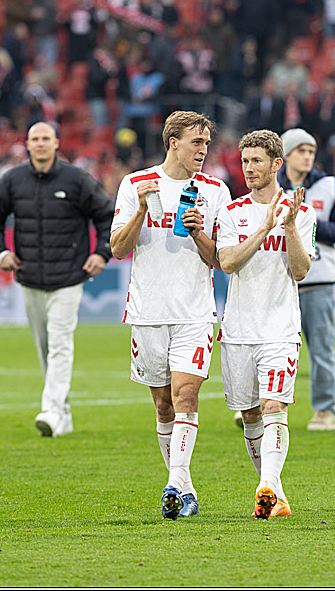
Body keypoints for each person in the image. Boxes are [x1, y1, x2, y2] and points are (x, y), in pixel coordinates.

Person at [108, 111, 231, 520]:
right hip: (147, 311)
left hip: (195, 312)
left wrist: (199, 233)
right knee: (163, 405)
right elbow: (118, 249)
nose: (204, 150)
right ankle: (186, 488)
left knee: (186, 395)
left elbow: (222, 260)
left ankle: (174, 483)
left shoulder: (215, 191)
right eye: (197, 142)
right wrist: (142, 211)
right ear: (172, 142)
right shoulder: (135, 184)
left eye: (207, 143)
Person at [0, 122, 114, 438]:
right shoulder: (13, 180)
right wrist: (0, 253)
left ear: (56, 143)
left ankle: (52, 410)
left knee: (60, 345)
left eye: (46, 139)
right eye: (35, 139)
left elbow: (107, 215)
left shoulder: (77, 179)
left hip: (69, 278)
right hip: (30, 278)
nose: (40, 144)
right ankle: (62, 414)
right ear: (27, 144)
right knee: (45, 347)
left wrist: (102, 252)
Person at [217, 129, 316, 519]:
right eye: (244, 161)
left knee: (275, 406)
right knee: (250, 414)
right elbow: (227, 263)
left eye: (256, 161)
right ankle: (274, 494)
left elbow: (300, 269)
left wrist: (288, 224)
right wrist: (264, 227)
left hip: (280, 327)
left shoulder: (303, 212)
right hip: (238, 329)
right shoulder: (232, 213)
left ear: (277, 164)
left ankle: (268, 485)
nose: (248, 168)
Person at [277, 128, 335, 431]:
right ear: (285, 155)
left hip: (319, 280)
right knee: (270, 347)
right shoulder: (271, 187)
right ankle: (263, 408)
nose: (308, 156)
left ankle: (325, 410)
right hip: (280, 281)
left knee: (322, 350)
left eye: (311, 151)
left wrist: (309, 227)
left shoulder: (326, 187)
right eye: (301, 150)